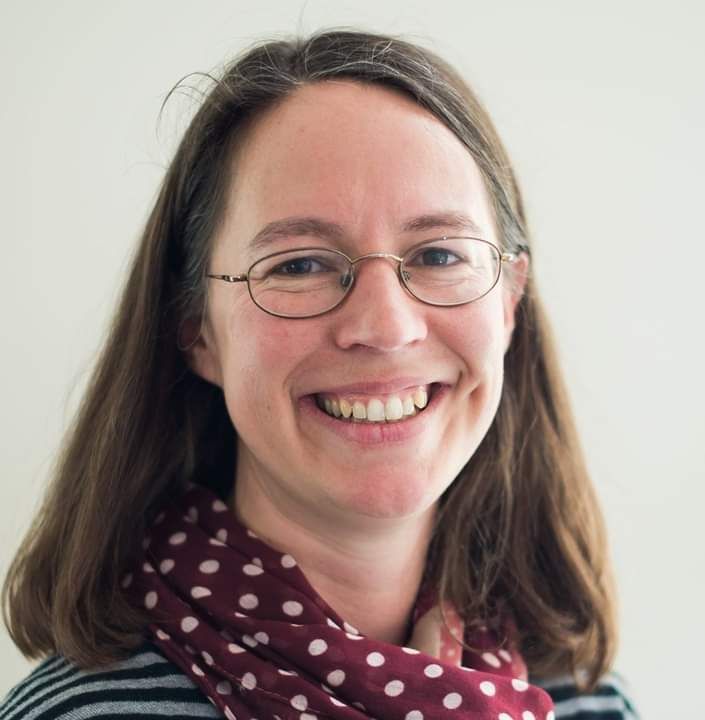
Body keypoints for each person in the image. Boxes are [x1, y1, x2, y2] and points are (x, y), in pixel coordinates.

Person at [0, 29, 639, 720]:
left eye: (439, 255)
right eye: (300, 264)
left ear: (510, 300)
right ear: (196, 330)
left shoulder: (587, 702)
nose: (386, 326)